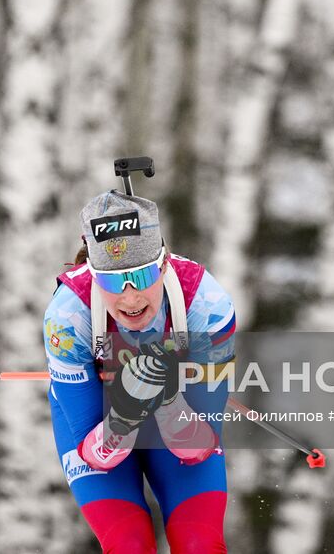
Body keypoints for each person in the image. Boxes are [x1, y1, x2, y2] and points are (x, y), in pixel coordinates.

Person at [44, 191, 236, 553]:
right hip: (98, 425)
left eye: (142, 275)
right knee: (128, 544)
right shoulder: (67, 318)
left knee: (200, 544)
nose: (130, 298)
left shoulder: (208, 305)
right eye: (113, 281)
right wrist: (126, 412)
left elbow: (198, 446)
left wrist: (164, 400)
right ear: (94, 276)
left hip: (181, 419)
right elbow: (96, 454)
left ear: (163, 265)